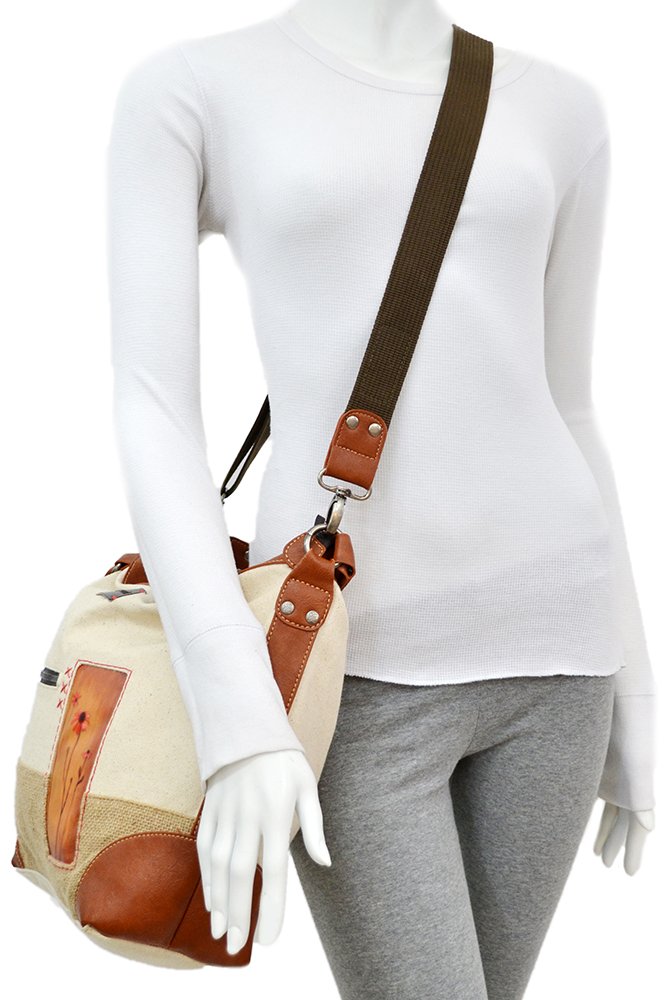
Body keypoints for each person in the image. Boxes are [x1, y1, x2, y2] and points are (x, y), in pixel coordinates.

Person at [107, 1, 656, 995]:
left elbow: (568, 402)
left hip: (561, 665)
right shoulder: (192, 89)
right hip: (347, 677)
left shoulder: (562, 107)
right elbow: (154, 410)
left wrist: (638, 692)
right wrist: (237, 709)